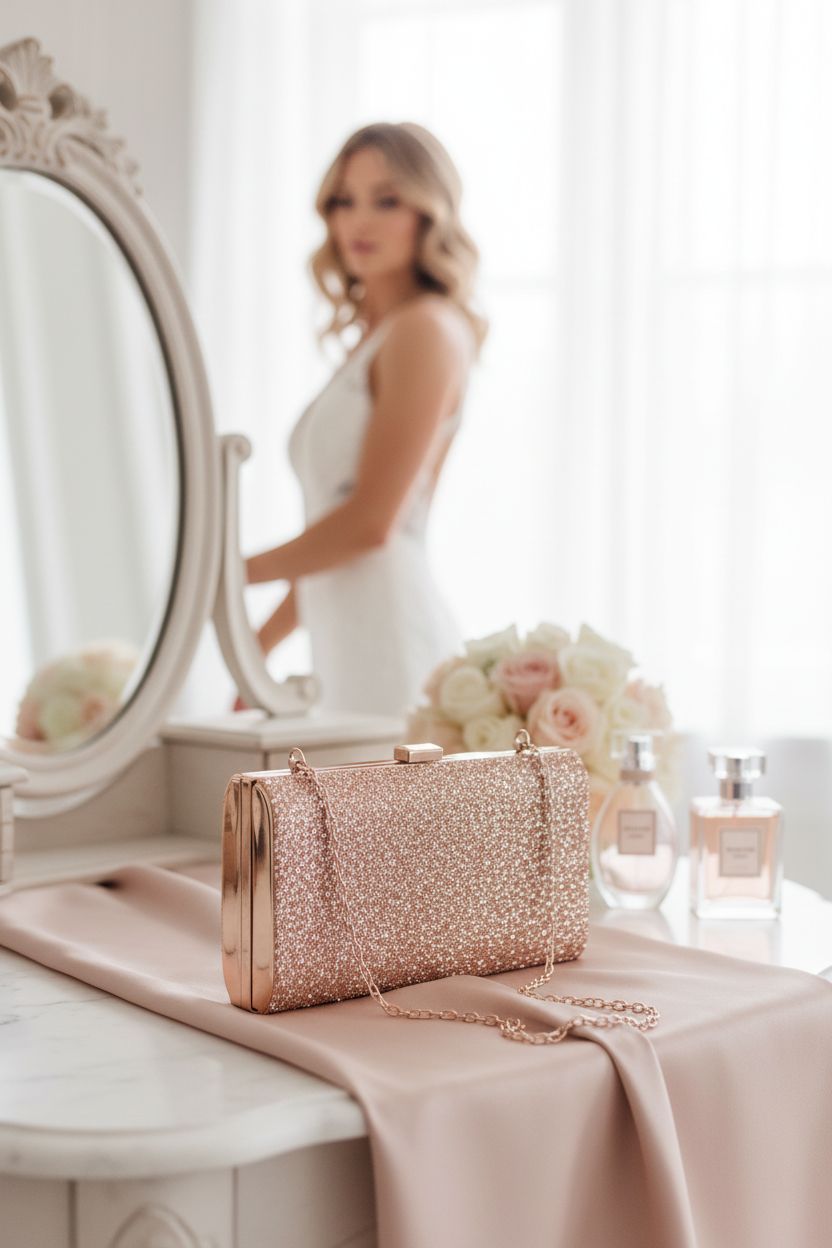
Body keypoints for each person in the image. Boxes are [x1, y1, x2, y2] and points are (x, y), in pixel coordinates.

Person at [244, 121, 487, 717]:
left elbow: (370, 526)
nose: (359, 221)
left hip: (389, 645)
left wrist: (225, 576)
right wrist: (254, 655)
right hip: (344, 645)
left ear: (428, 214)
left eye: (386, 200)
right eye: (343, 201)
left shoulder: (426, 329)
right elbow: (334, 543)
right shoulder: (377, 340)